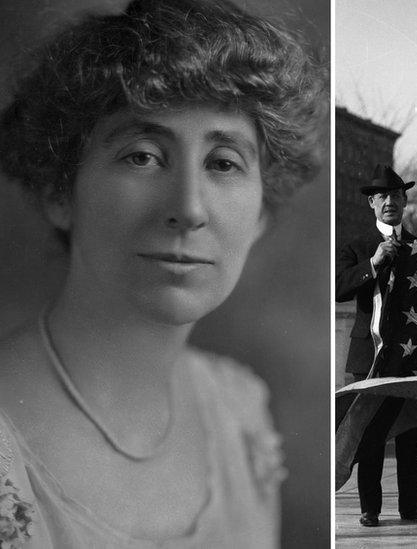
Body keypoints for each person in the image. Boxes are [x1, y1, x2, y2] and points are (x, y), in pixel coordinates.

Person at [0, 0, 326, 546]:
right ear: (60, 191)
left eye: (223, 163)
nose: (189, 208)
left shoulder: (240, 409)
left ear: (262, 213)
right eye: (143, 156)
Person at [335, 164, 417, 527]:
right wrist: (372, 264)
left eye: (397, 195)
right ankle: (370, 508)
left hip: (409, 356)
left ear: (405, 201)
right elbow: (337, 287)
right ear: (372, 203)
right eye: (383, 196)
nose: (390, 201)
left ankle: (411, 506)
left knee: (409, 430)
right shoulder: (356, 245)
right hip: (368, 354)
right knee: (369, 431)